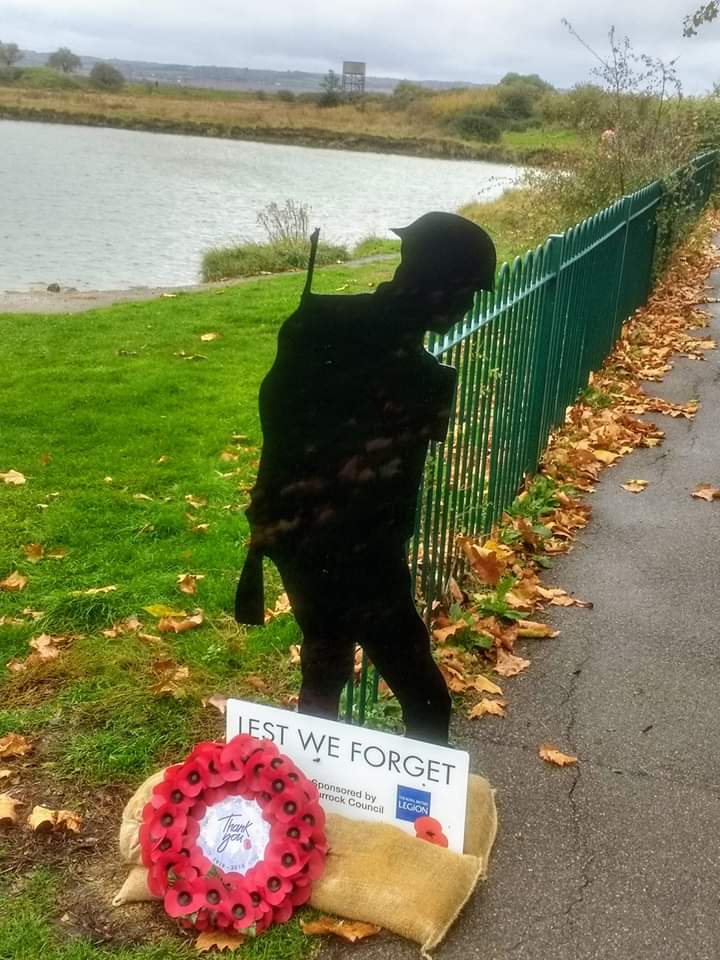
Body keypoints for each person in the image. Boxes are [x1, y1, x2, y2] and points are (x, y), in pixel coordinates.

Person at [236, 211, 496, 745]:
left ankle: (311, 800)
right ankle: (415, 816)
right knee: (425, 698)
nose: (468, 306)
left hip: (299, 537)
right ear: (437, 287)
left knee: (325, 668)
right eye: (467, 293)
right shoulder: (412, 372)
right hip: (356, 554)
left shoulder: (322, 322)